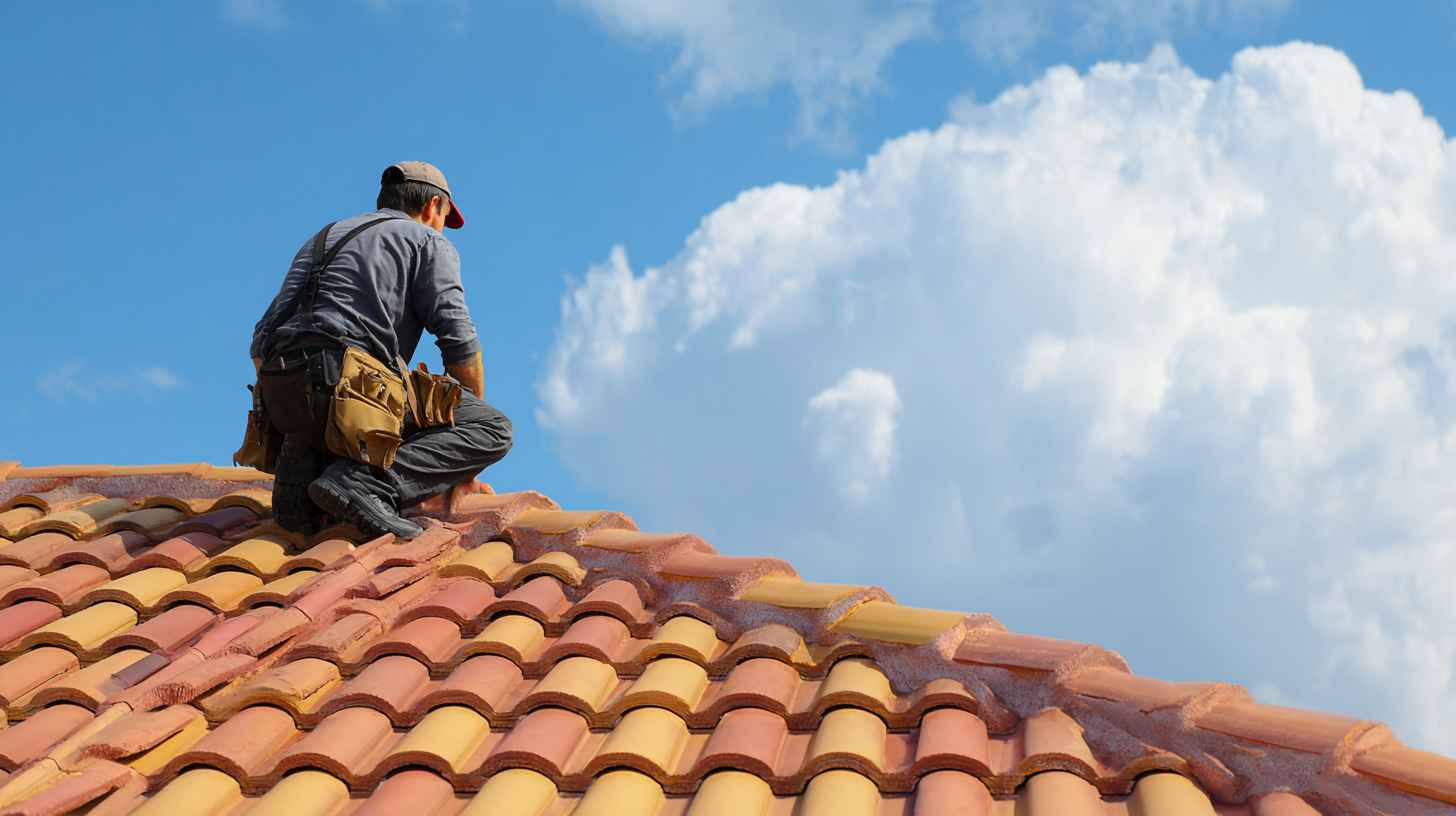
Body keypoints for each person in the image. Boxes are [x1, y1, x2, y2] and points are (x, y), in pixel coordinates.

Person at [248, 161, 512, 539]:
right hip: (344, 383)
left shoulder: (325, 237)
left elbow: (261, 342)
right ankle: (367, 482)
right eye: (443, 217)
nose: (441, 226)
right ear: (433, 206)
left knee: (303, 521)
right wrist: (460, 464)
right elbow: (458, 341)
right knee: (492, 427)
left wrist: (302, 420)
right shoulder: (427, 241)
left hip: (283, 393)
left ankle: (315, 466)